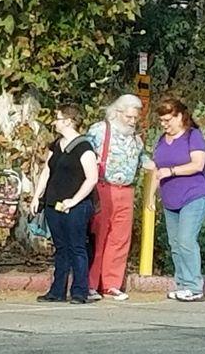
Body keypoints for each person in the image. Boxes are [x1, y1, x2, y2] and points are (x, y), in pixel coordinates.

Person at [86, 94, 155, 301]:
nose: (133, 121)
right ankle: (90, 283)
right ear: (117, 112)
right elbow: (85, 152)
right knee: (98, 236)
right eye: (129, 117)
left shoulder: (136, 137)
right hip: (103, 187)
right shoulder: (99, 130)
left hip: (126, 190)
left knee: (120, 238)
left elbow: (142, 157)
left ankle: (111, 283)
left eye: (135, 118)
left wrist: (151, 164)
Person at [29, 104, 98, 304]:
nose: (54, 122)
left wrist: (74, 200)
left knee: (77, 247)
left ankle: (79, 291)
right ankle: (57, 290)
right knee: (61, 248)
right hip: (53, 203)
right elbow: (47, 171)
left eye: (57, 118)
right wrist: (37, 195)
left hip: (76, 205)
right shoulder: (56, 145)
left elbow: (91, 178)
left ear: (69, 121)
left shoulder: (84, 147)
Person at [148, 97, 205, 302]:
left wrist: (172, 171)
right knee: (174, 243)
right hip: (170, 199)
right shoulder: (161, 140)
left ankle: (194, 286)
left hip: (193, 195)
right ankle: (182, 283)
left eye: (168, 120)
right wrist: (151, 196)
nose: (165, 124)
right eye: (162, 121)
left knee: (186, 239)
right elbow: (157, 170)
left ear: (180, 116)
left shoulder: (193, 136)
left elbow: (197, 164)